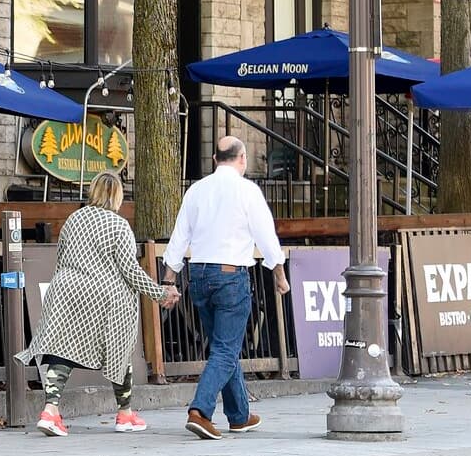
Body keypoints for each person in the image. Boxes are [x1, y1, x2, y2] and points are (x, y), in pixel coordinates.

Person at [15, 171, 180, 438]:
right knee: (120, 348)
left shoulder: (74, 219)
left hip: (65, 290)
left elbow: (61, 258)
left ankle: (51, 411)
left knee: (62, 349)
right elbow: (130, 271)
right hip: (104, 296)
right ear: (116, 195)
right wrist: (159, 293)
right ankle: (125, 413)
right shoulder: (118, 225)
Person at [162, 135, 290, 440]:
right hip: (231, 275)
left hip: (199, 275)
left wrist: (168, 280)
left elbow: (179, 238)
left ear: (215, 159)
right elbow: (267, 237)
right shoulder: (248, 191)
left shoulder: (196, 190)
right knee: (225, 348)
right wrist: (280, 274)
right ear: (242, 158)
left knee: (223, 345)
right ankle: (200, 410)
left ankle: (239, 415)